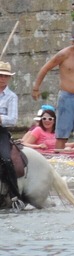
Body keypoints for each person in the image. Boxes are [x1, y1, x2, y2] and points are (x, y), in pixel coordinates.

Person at [31, 32, 74, 150]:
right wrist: (36, 88)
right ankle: (59, 157)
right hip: (66, 97)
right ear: (73, 43)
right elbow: (45, 68)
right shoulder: (63, 54)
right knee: (62, 135)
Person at [0, 60, 19, 197]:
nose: (3, 78)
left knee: (6, 159)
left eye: (6, 76)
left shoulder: (11, 97)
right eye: (0, 75)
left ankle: (15, 195)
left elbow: (12, 120)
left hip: (1, 132)